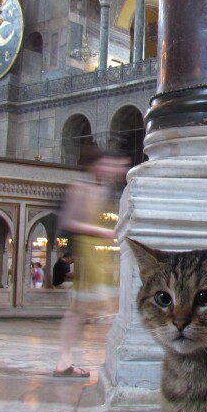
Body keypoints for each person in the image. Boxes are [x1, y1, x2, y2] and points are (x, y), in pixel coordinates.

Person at [53, 151, 129, 378]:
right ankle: (68, 361)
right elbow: (68, 221)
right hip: (88, 252)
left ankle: (65, 362)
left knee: (83, 311)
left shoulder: (103, 190)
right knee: (88, 310)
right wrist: (103, 231)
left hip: (98, 253)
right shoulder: (81, 187)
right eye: (112, 164)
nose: (117, 170)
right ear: (98, 165)